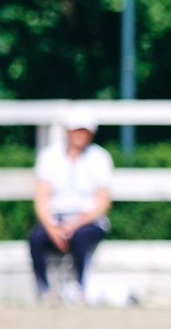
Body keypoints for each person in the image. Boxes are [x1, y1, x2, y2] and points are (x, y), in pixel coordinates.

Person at [28, 110, 114, 304]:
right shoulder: (49, 156)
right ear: (68, 131)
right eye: (76, 130)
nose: (80, 135)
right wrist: (52, 227)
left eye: (84, 131)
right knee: (36, 238)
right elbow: (41, 197)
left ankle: (80, 287)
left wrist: (74, 224)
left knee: (81, 236)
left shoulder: (100, 157)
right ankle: (44, 290)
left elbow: (102, 202)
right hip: (56, 217)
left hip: (88, 219)